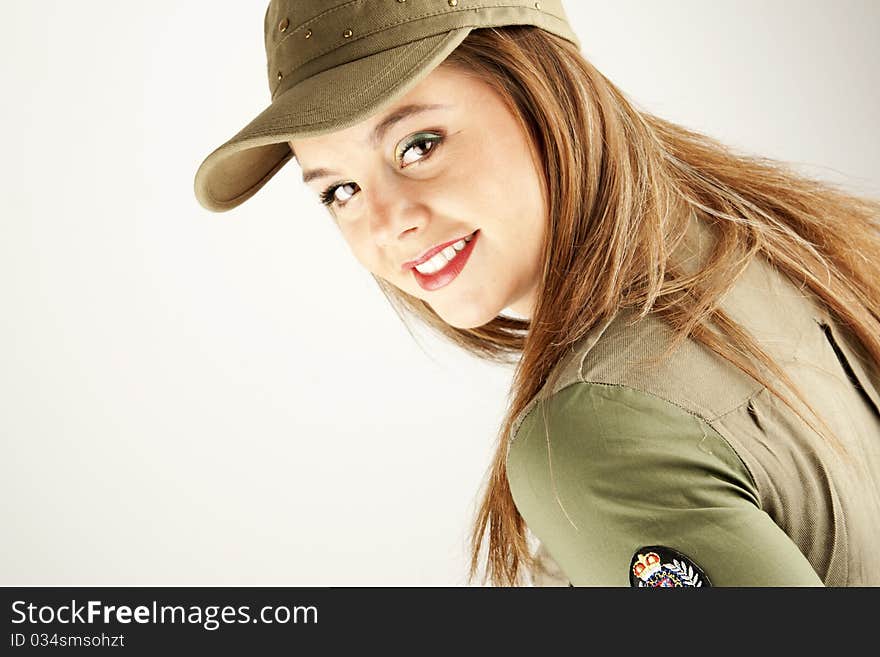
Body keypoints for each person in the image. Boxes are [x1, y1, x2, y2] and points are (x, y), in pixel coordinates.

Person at [194, 1, 880, 586]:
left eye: (418, 145)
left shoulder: (595, 431)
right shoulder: (797, 243)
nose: (385, 223)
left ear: (544, 93)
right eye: (338, 190)